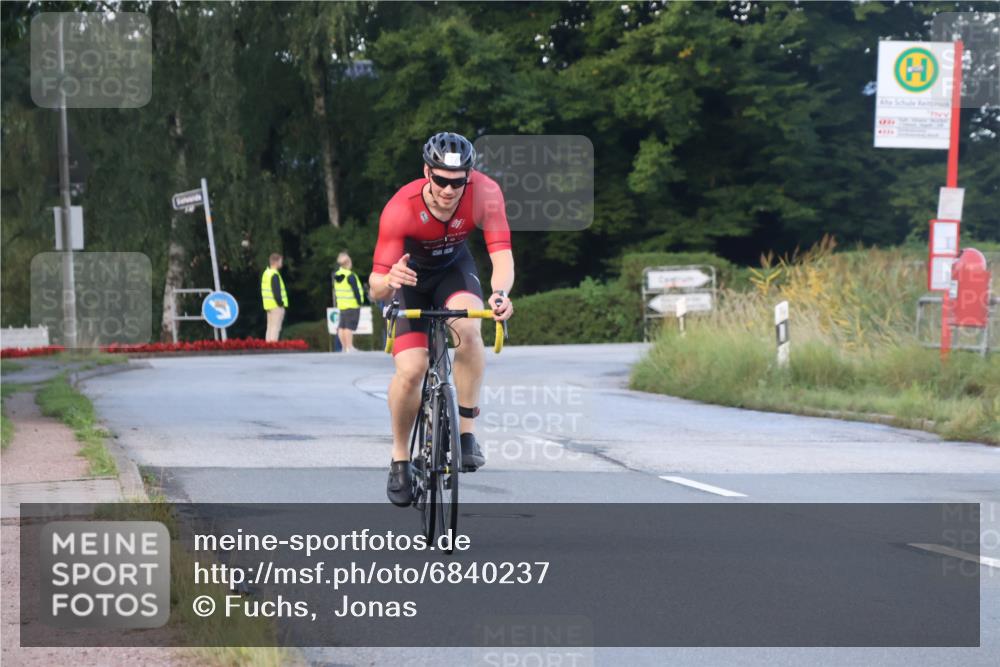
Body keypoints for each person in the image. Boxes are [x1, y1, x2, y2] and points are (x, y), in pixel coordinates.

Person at [368, 131, 514, 507]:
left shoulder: (486, 193)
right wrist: (389, 281)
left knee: (468, 327)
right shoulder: (401, 207)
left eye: (458, 183)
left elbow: (501, 255)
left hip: (453, 270)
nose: (449, 191)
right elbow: (374, 287)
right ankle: (400, 459)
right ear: (426, 173)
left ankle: (466, 434)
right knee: (412, 369)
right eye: (441, 181)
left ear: (469, 177)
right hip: (409, 279)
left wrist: (500, 295)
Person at [333, 251, 367, 352]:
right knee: (348, 327)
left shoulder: (337, 275)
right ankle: (350, 347)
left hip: (342, 305)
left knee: (341, 327)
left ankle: (344, 347)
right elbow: (355, 290)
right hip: (352, 305)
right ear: (348, 263)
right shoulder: (350, 275)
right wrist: (360, 301)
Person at [261, 253, 288, 342]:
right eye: (280, 261)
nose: (281, 263)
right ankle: (273, 347)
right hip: (276, 305)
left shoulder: (266, 273)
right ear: (276, 262)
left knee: (270, 327)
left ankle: (267, 346)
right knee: (276, 327)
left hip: (268, 305)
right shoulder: (274, 274)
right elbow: (276, 290)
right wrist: (280, 303)